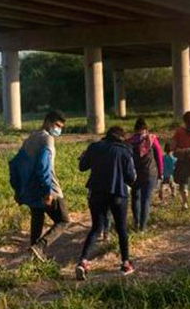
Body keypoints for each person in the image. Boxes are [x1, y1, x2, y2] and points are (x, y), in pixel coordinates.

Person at [76, 126, 137, 279]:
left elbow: (82, 167)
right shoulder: (125, 150)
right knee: (121, 229)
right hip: (118, 194)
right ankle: (125, 263)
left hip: (96, 193)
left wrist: (85, 156)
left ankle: (83, 262)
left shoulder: (94, 147)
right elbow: (131, 177)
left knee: (96, 228)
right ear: (121, 137)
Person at [9, 110, 69, 261]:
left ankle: (33, 257)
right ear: (48, 122)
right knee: (63, 220)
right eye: (57, 125)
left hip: (30, 190)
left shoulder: (30, 138)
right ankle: (40, 246)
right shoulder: (47, 139)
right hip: (48, 189)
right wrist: (47, 191)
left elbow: (14, 164)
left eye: (60, 127)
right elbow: (43, 167)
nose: (58, 129)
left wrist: (18, 189)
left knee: (37, 220)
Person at [126, 118, 163, 231]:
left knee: (135, 197)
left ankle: (135, 223)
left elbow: (126, 159)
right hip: (150, 173)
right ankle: (142, 228)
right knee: (146, 200)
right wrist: (161, 173)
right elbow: (159, 157)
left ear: (135, 129)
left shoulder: (130, 141)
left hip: (135, 174)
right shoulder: (152, 139)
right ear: (146, 128)